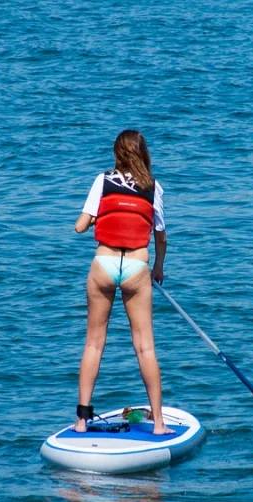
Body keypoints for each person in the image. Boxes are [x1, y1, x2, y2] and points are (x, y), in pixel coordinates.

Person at [73, 130, 173, 435]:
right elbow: (161, 236)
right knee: (145, 348)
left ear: (117, 153)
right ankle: (158, 424)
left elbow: (79, 227)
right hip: (135, 267)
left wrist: (93, 219)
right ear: (143, 153)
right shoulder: (153, 187)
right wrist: (158, 268)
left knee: (93, 344)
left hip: (103, 265)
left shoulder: (102, 180)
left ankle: (81, 422)